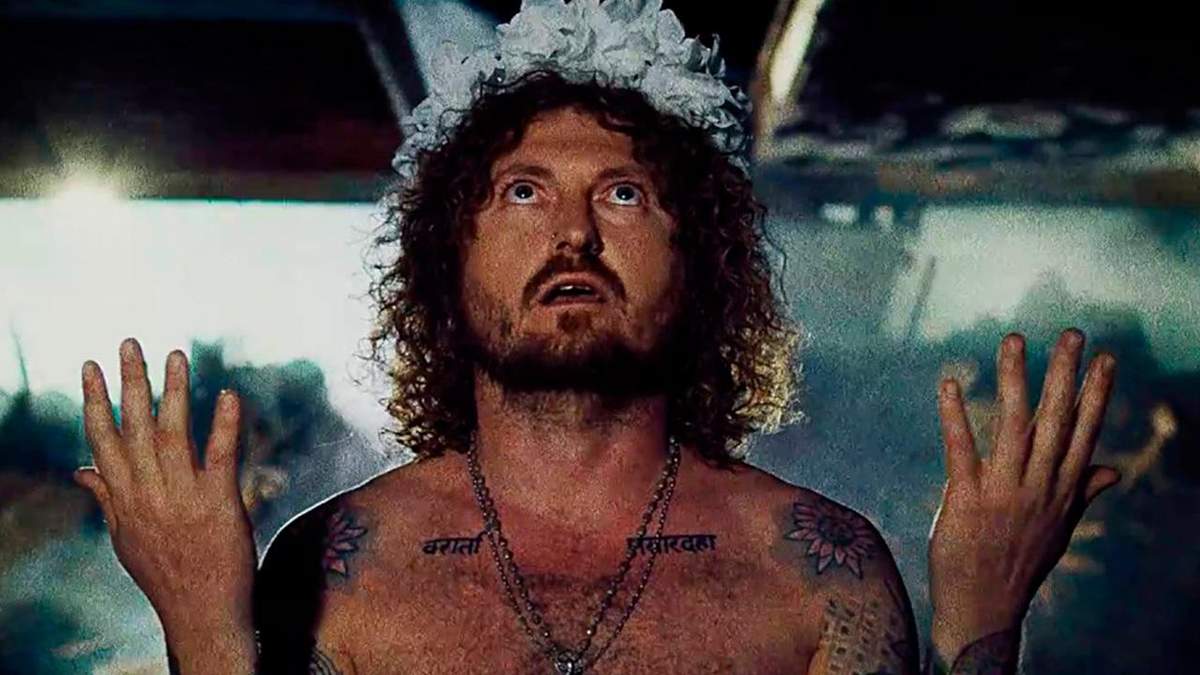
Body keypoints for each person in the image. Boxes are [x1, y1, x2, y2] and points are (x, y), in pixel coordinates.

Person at [72, 1, 1122, 673]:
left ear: (700, 262)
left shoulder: (818, 568)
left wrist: (981, 619)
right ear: (446, 259)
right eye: (523, 192)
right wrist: (202, 626)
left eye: (623, 193)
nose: (572, 233)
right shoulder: (336, 567)